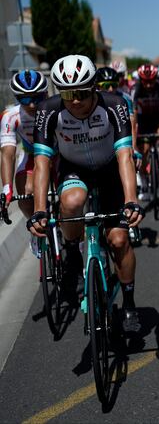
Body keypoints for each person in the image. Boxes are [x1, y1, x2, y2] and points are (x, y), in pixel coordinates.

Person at [28, 55, 143, 332]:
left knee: (118, 240)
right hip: (73, 170)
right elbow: (42, 162)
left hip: (109, 170)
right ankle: (71, 251)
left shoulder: (114, 105)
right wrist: (39, 210)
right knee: (72, 201)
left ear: (94, 87)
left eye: (81, 92)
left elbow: (125, 156)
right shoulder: (48, 110)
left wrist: (131, 200)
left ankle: (128, 303)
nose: (75, 100)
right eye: (68, 93)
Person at [1, 70, 48, 256]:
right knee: (25, 195)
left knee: (66, 200)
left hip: (58, 157)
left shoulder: (57, 108)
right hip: (31, 157)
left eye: (37, 98)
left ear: (45, 94)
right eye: (24, 99)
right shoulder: (10, 116)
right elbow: (8, 154)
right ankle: (35, 229)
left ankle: (73, 241)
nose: (31, 104)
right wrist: (6, 188)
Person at [132, 64, 159, 202]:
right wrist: (135, 132)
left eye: (152, 81)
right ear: (140, 80)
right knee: (143, 152)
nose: (149, 85)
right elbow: (134, 114)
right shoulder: (136, 90)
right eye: (145, 81)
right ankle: (144, 182)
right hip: (143, 122)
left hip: (157, 119)